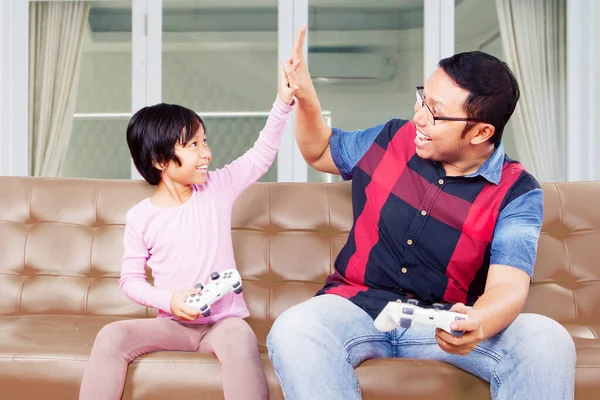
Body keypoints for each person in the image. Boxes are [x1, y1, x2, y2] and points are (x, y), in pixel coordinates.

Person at [267, 25, 576, 400]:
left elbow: (507, 286)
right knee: (295, 327)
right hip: (355, 308)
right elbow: (320, 151)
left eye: (436, 113)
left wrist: (478, 321)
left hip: (442, 322)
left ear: (480, 133)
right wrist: (306, 96)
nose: (419, 117)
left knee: (548, 339)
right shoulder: (392, 138)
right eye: (422, 100)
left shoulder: (517, 191)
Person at [79, 63, 298, 400]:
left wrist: (283, 102)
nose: (206, 153)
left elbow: (261, 154)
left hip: (224, 323)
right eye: (192, 145)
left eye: (204, 141)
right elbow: (130, 280)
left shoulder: (218, 188)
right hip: (173, 327)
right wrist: (168, 300)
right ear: (159, 160)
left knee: (240, 337)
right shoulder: (141, 217)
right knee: (111, 335)